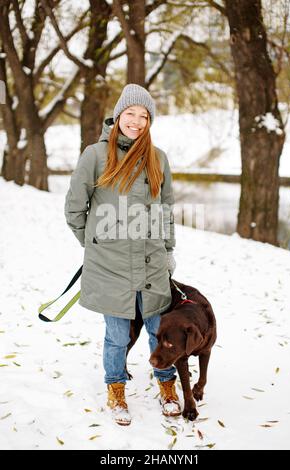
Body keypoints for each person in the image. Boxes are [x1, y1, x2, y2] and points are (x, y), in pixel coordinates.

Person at [64, 83, 180, 426]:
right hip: (110, 265)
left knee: (160, 331)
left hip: (151, 262)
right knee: (117, 335)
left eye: (144, 116)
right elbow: (74, 209)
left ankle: (167, 386)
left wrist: (168, 249)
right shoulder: (95, 155)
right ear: (118, 115)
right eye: (130, 113)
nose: (137, 121)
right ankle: (115, 390)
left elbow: (167, 209)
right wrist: (95, 244)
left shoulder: (158, 158)